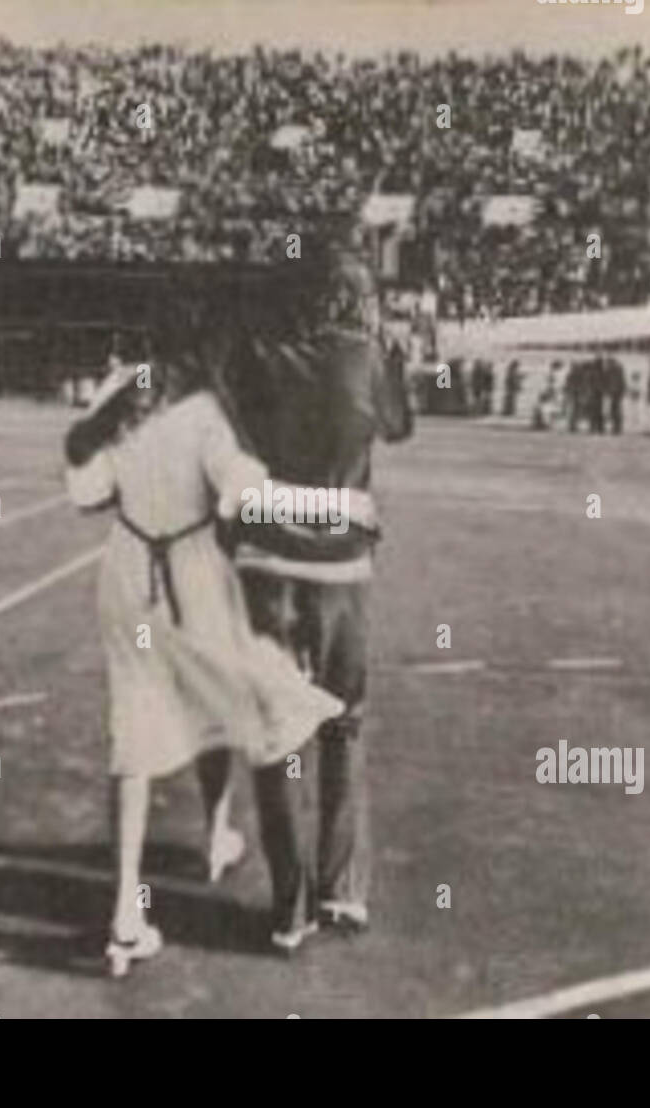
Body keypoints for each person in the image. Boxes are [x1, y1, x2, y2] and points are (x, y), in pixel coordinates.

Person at [64, 330, 345, 975]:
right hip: (193, 576)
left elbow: (83, 490)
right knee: (245, 701)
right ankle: (228, 845)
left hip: (130, 576)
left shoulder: (115, 395)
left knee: (132, 739)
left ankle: (126, 913)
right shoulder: (203, 409)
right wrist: (327, 507)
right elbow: (242, 491)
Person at [230, 250, 413, 936]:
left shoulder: (257, 355)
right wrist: (388, 354)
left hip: (266, 560)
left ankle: (290, 907)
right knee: (344, 721)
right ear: (350, 301)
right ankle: (341, 889)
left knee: (275, 733)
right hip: (339, 563)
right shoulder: (364, 356)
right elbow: (397, 426)